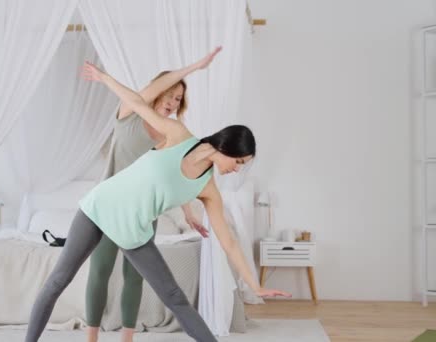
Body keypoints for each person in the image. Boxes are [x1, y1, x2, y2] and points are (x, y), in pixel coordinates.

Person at [24, 57, 291, 342]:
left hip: (134, 230)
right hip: (99, 209)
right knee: (57, 281)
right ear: (224, 147)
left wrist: (254, 286)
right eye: (238, 161)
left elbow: (229, 243)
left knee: (174, 295)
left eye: (243, 165)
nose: (237, 168)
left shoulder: (208, 190)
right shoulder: (178, 135)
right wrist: (104, 78)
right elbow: (138, 103)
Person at [86, 48, 222, 342]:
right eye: (169, 95)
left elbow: (177, 176)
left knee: (135, 276)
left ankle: (127, 339)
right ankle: (91, 338)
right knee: (100, 271)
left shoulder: (170, 135)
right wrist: (195, 66)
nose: (173, 103)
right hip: (109, 209)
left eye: (178, 99)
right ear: (156, 92)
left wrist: (188, 213)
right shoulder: (129, 113)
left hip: (143, 213)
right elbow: (151, 88)